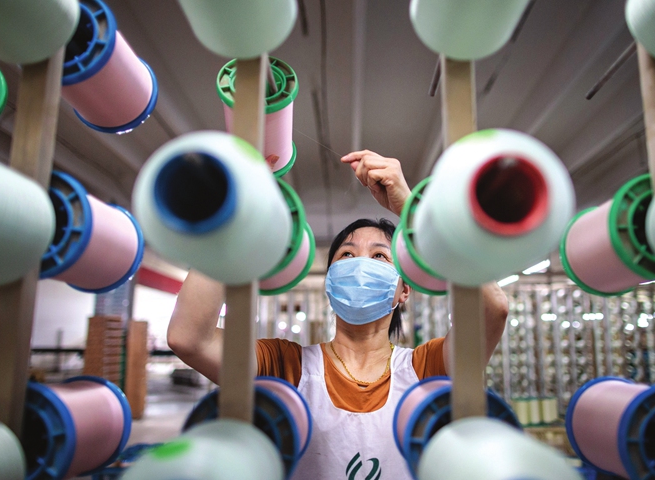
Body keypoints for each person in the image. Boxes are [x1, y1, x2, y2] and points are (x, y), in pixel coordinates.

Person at [167, 150, 509, 479]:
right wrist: (231, 216)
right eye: (346, 255)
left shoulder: (428, 369)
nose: (360, 265)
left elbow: (493, 308)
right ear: (330, 283)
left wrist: (412, 212)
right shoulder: (285, 366)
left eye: (379, 257)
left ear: (404, 289)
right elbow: (189, 339)